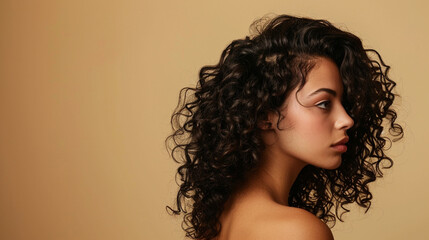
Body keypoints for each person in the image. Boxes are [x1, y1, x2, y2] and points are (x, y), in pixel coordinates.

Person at [166, 14, 403, 240]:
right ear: (264, 116)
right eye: (323, 103)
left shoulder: (217, 224)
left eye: (343, 103)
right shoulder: (298, 231)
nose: (347, 120)